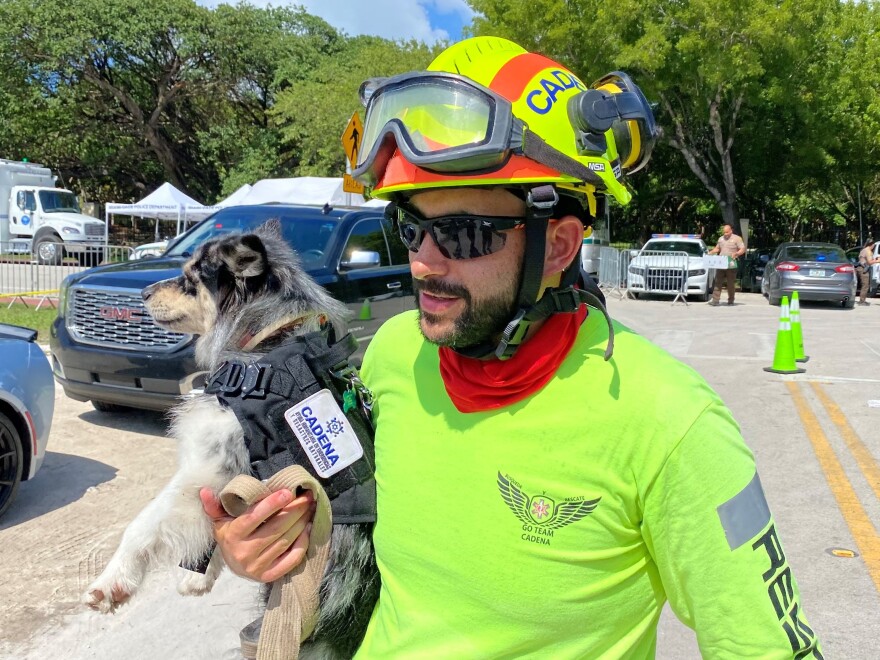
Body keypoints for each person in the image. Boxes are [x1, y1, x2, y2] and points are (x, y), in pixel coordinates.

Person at [202, 37, 822, 658]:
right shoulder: (393, 353)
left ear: (558, 246)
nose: (423, 262)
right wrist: (265, 543)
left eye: (464, 234)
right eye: (411, 227)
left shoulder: (670, 421)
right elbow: (346, 512)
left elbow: (765, 646)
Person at [707, 224, 746, 306]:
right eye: (724, 232)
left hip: (731, 263)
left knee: (730, 283)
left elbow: (743, 249)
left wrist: (737, 253)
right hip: (721, 263)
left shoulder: (737, 238)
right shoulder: (720, 239)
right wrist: (710, 252)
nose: (725, 234)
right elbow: (718, 248)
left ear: (731, 231)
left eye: (727, 232)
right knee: (718, 282)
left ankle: (731, 300)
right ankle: (715, 300)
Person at [856, 237, 879, 305]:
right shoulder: (867, 251)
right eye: (873, 245)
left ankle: (862, 300)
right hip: (863, 269)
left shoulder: (864, 250)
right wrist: (877, 261)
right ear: (871, 245)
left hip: (862, 268)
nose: (873, 247)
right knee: (865, 285)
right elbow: (869, 262)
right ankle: (861, 301)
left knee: (865, 285)